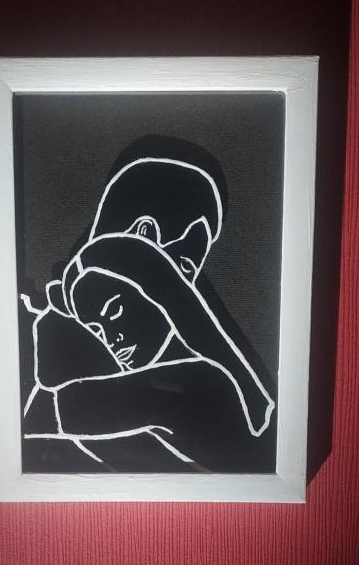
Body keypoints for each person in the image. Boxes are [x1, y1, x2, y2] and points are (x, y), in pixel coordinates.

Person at [21, 136, 275, 472]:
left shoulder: (194, 379)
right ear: (144, 236)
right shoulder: (47, 332)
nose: (188, 285)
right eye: (184, 267)